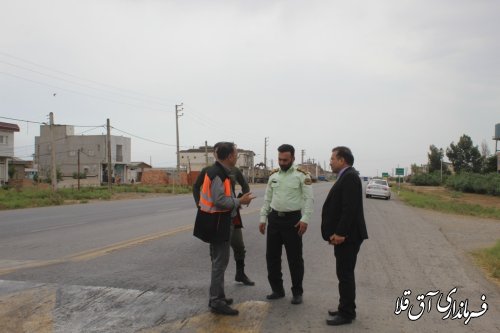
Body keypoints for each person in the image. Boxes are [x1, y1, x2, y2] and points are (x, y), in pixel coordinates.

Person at [193, 142, 255, 316]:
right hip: (218, 222)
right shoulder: (217, 174)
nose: (236, 157)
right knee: (220, 263)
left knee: (218, 262)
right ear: (229, 156)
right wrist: (240, 202)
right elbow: (220, 200)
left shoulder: (218, 171)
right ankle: (216, 301)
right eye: (236, 154)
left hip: (217, 220)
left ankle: (218, 296)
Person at [259, 144, 314, 305]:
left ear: (293, 158)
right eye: (280, 159)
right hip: (274, 219)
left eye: (285, 160)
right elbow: (267, 199)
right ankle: (277, 290)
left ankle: (297, 292)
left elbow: (309, 199)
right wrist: (263, 218)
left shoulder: (302, 175)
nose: (282, 162)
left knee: (295, 259)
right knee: (272, 257)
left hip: (293, 221)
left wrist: (305, 219)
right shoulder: (273, 175)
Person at [321, 146, 368, 326]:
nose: (331, 161)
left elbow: (349, 210)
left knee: (345, 274)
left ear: (342, 160)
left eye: (333, 158)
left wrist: (340, 233)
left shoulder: (350, 178)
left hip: (348, 237)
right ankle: (345, 307)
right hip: (348, 236)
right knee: (344, 273)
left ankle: (347, 313)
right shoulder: (347, 176)